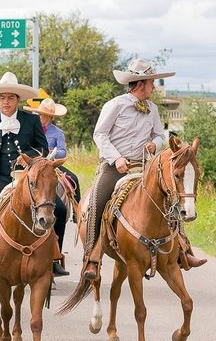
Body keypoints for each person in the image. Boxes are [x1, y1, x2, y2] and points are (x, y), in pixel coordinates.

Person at [82, 58, 206, 280]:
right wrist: (116, 157)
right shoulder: (115, 105)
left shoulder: (153, 109)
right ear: (140, 84)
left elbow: (160, 135)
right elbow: (99, 134)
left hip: (145, 166)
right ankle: (92, 257)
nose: (154, 87)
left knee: (172, 196)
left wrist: (154, 144)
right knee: (97, 202)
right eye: (152, 83)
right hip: (115, 166)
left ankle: (183, 250)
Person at [0, 72, 68, 275]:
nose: (6, 102)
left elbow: (42, 148)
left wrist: (29, 156)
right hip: (0, 178)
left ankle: (54, 258)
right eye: (2, 98)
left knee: (60, 209)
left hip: (28, 178)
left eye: (11, 98)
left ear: (18, 99)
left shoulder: (30, 120)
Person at [24, 97, 80, 277]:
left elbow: (63, 150)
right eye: (42, 114)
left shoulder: (57, 132)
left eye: (47, 115)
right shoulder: (30, 128)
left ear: (51, 117)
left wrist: (53, 152)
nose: (43, 117)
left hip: (51, 164)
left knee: (74, 178)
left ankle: (77, 213)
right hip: (32, 164)